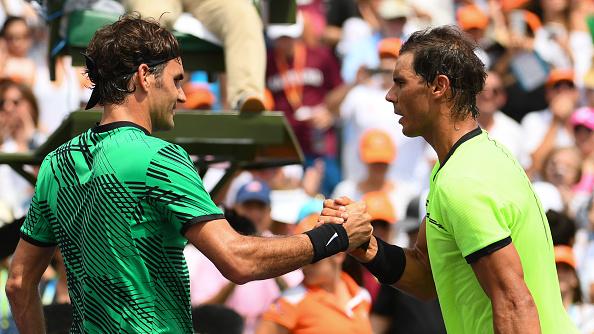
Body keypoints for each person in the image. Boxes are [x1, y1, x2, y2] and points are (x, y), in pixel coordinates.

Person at [4, 15, 373, 333]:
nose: (182, 96)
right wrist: (335, 236)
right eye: (177, 80)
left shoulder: (56, 163)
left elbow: (19, 282)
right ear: (145, 76)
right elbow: (238, 260)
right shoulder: (159, 158)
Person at [321, 26, 577, 333]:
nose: (390, 96)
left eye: (400, 83)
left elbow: (513, 302)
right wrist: (367, 245)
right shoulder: (470, 159)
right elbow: (429, 277)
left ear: (438, 86)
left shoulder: (463, 180)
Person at [256, 214, 373, 334]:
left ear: (339, 255)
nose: (304, 265)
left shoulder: (362, 296)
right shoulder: (289, 301)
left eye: (313, 258)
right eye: (300, 259)